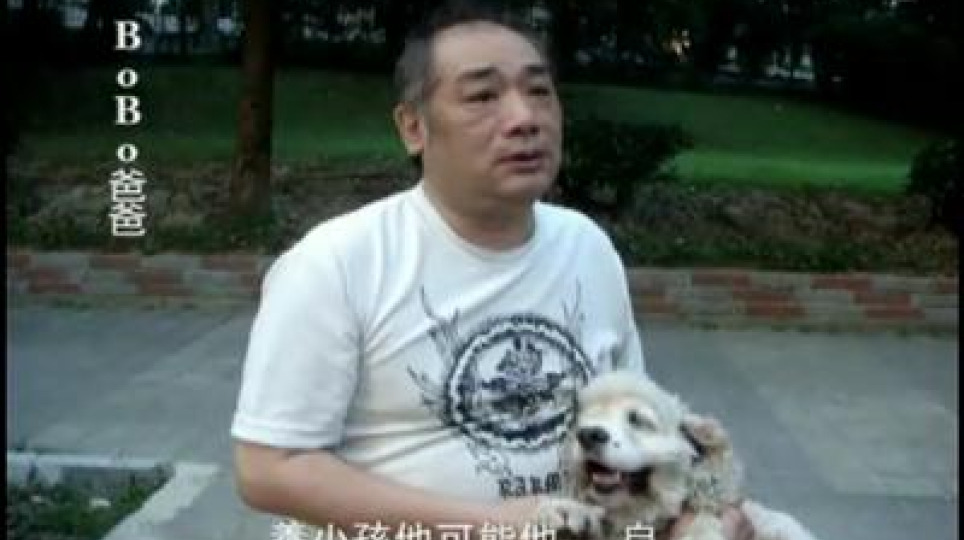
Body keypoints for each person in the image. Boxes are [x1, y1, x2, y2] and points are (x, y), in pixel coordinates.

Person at [231, 3, 752, 540]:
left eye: (539, 91)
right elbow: (270, 469)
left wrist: (698, 518)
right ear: (413, 128)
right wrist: (490, 526)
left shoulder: (588, 247)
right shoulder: (337, 264)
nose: (525, 118)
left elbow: (635, 434)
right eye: (483, 96)